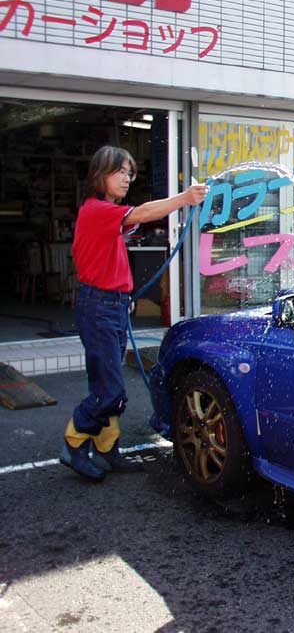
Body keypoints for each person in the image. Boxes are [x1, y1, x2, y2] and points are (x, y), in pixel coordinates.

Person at [59, 145, 209, 481]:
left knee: (107, 385)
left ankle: (107, 449)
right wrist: (184, 199)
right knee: (110, 389)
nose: (127, 178)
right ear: (100, 175)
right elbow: (142, 213)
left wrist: (122, 296)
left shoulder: (105, 213)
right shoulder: (97, 210)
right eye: (120, 172)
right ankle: (73, 441)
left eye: (130, 173)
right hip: (99, 307)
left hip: (109, 305)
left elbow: (133, 222)